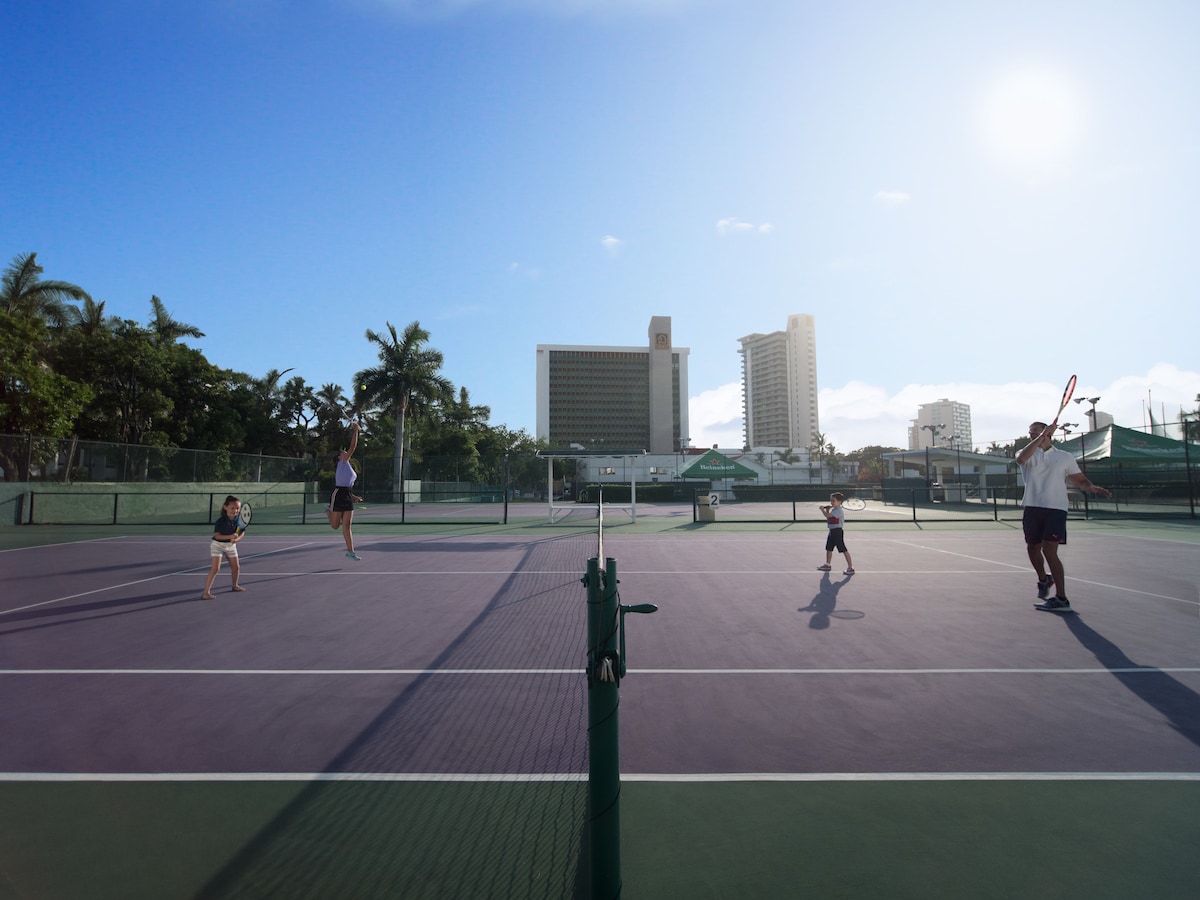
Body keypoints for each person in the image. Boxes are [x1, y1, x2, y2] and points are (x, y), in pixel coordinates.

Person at [1016, 420, 1111, 611]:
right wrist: (1042, 437)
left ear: (1048, 433)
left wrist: (1091, 487)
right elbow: (1020, 459)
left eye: (1035, 431)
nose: (1031, 434)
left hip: (1056, 509)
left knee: (1049, 551)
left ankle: (1061, 598)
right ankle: (1044, 579)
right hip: (1032, 508)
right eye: (1030, 432)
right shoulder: (1026, 453)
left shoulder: (1065, 457)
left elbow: (1080, 480)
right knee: (1033, 549)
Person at [328, 421, 363, 560]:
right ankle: (328, 510)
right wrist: (356, 430)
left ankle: (351, 552)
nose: (344, 452)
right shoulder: (342, 463)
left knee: (347, 525)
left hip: (347, 495)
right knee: (335, 526)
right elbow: (353, 447)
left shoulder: (347, 466)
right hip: (338, 495)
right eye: (341, 452)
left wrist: (353, 496)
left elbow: (347, 485)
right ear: (339, 457)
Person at [201, 495, 245, 599]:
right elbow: (217, 536)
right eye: (232, 508)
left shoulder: (239, 520)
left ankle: (235, 585)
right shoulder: (220, 521)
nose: (235, 510)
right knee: (216, 568)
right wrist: (230, 536)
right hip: (218, 545)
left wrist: (236, 540)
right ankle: (206, 593)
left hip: (231, 545)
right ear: (225, 507)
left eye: (237, 508)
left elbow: (241, 532)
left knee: (236, 567)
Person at [817, 492, 855, 575]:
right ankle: (827, 564)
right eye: (831, 500)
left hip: (837, 532)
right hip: (832, 531)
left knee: (843, 549)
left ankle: (850, 567)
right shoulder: (834, 510)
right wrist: (827, 509)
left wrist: (822, 510)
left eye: (833, 501)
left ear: (839, 502)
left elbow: (827, 516)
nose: (831, 502)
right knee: (829, 548)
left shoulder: (839, 510)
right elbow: (829, 519)